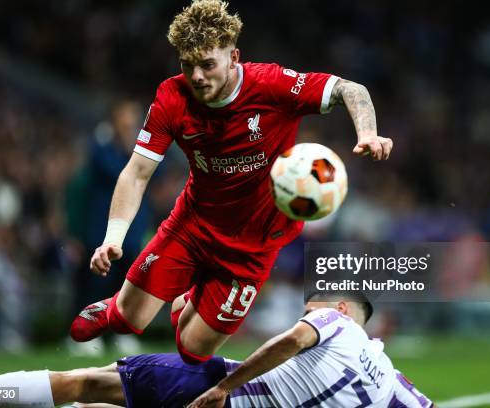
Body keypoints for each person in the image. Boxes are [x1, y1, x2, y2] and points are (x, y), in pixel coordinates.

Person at [70, 0, 394, 365]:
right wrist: (113, 238)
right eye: (187, 65)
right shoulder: (171, 97)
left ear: (233, 57)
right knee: (128, 321)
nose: (196, 77)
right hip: (193, 224)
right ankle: (114, 307)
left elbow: (349, 89)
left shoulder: (272, 85)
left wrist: (368, 133)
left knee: (193, 352)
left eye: (207, 65)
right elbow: (136, 171)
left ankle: (189, 301)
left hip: (253, 245)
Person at [0, 295, 433, 407]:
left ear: (343, 309)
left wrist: (224, 385)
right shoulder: (388, 377)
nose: (309, 304)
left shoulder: (336, 324)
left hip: (211, 389)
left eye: (318, 300)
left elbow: (287, 342)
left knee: (85, 383)